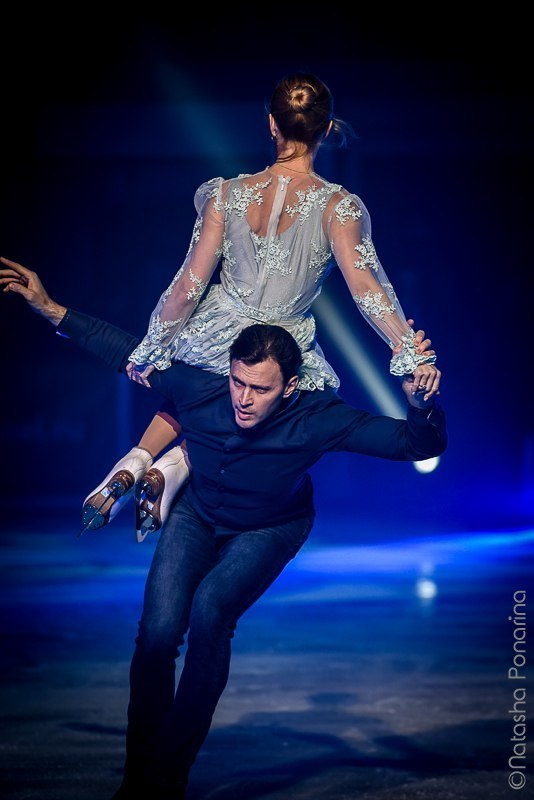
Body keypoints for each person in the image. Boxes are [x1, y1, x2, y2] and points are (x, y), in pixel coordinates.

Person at [1, 261, 446, 799]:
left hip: (270, 527)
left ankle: (166, 781)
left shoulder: (318, 417)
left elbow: (415, 446)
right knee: (158, 636)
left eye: (259, 389)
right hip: (198, 514)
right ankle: (138, 781)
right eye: (238, 381)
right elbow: (126, 351)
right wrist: (50, 309)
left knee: (211, 609)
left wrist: (422, 406)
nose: (243, 398)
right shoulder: (205, 390)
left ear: (290, 386)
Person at [75, 72, 441, 538]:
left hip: (214, 335)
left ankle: (142, 460)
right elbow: (365, 287)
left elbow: (190, 283)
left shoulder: (226, 195)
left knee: (206, 392)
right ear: (327, 130)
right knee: (268, 414)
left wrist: (154, 343)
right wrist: (410, 351)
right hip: (281, 347)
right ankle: (171, 466)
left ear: (271, 125)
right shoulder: (338, 207)